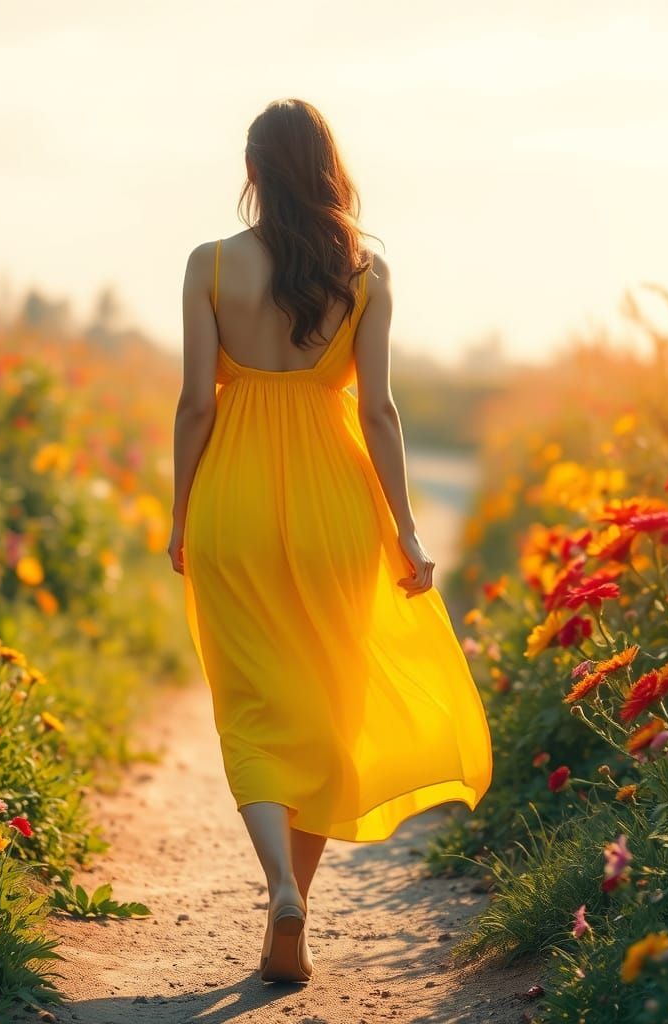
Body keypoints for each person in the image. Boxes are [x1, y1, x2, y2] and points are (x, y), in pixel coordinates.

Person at [168, 98, 492, 985]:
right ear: (326, 167)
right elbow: (380, 412)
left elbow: (198, 403)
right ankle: (295, 909)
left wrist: (177, 511)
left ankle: (278, 886)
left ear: (254, 169)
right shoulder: (366, 270)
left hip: (232, 498)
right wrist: (407, 531)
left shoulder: (209, 264)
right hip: (337, 508)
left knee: (253, 704)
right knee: (325, 705)